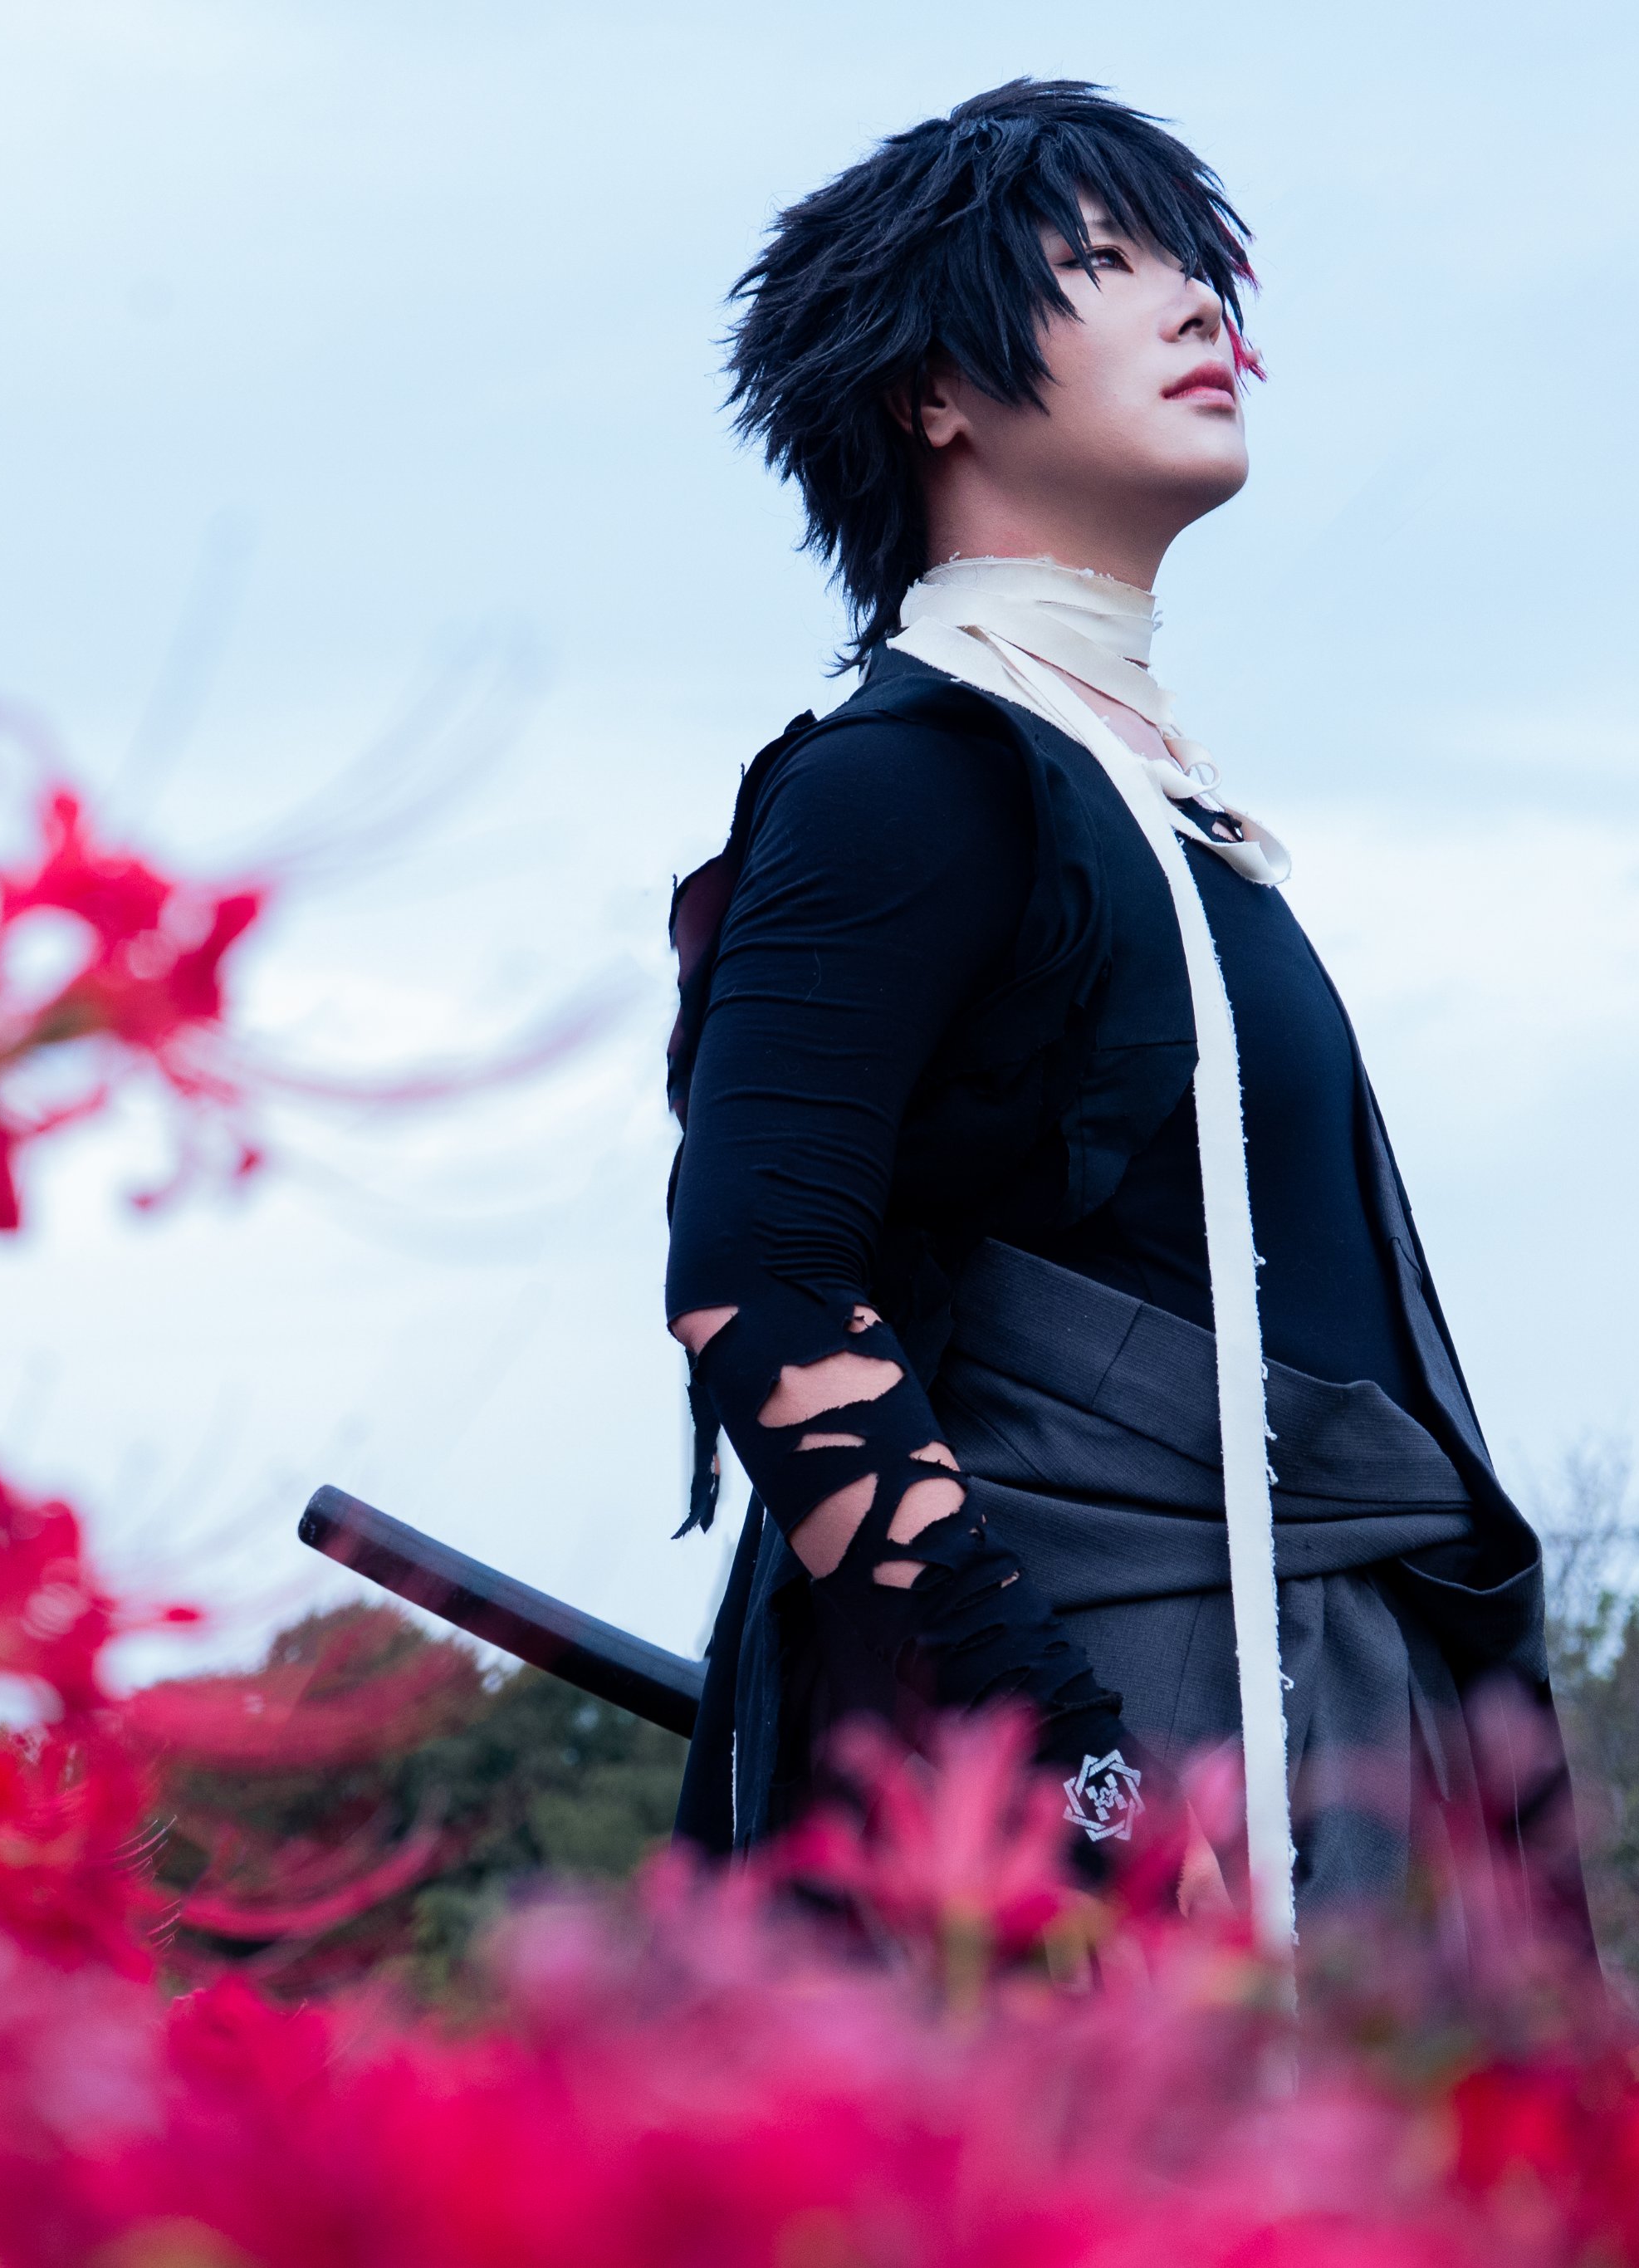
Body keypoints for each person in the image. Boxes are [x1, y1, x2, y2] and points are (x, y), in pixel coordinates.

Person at [665, 79, 1586, 1937]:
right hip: (1127, 1751)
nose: (1193, 307)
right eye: (1100, 260)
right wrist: (1062, 1774)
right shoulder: (904, 780)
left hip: (1327, 1711)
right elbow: (754, 1279)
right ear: (934, 390)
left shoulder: (1156, 806)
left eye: (1193, 265)